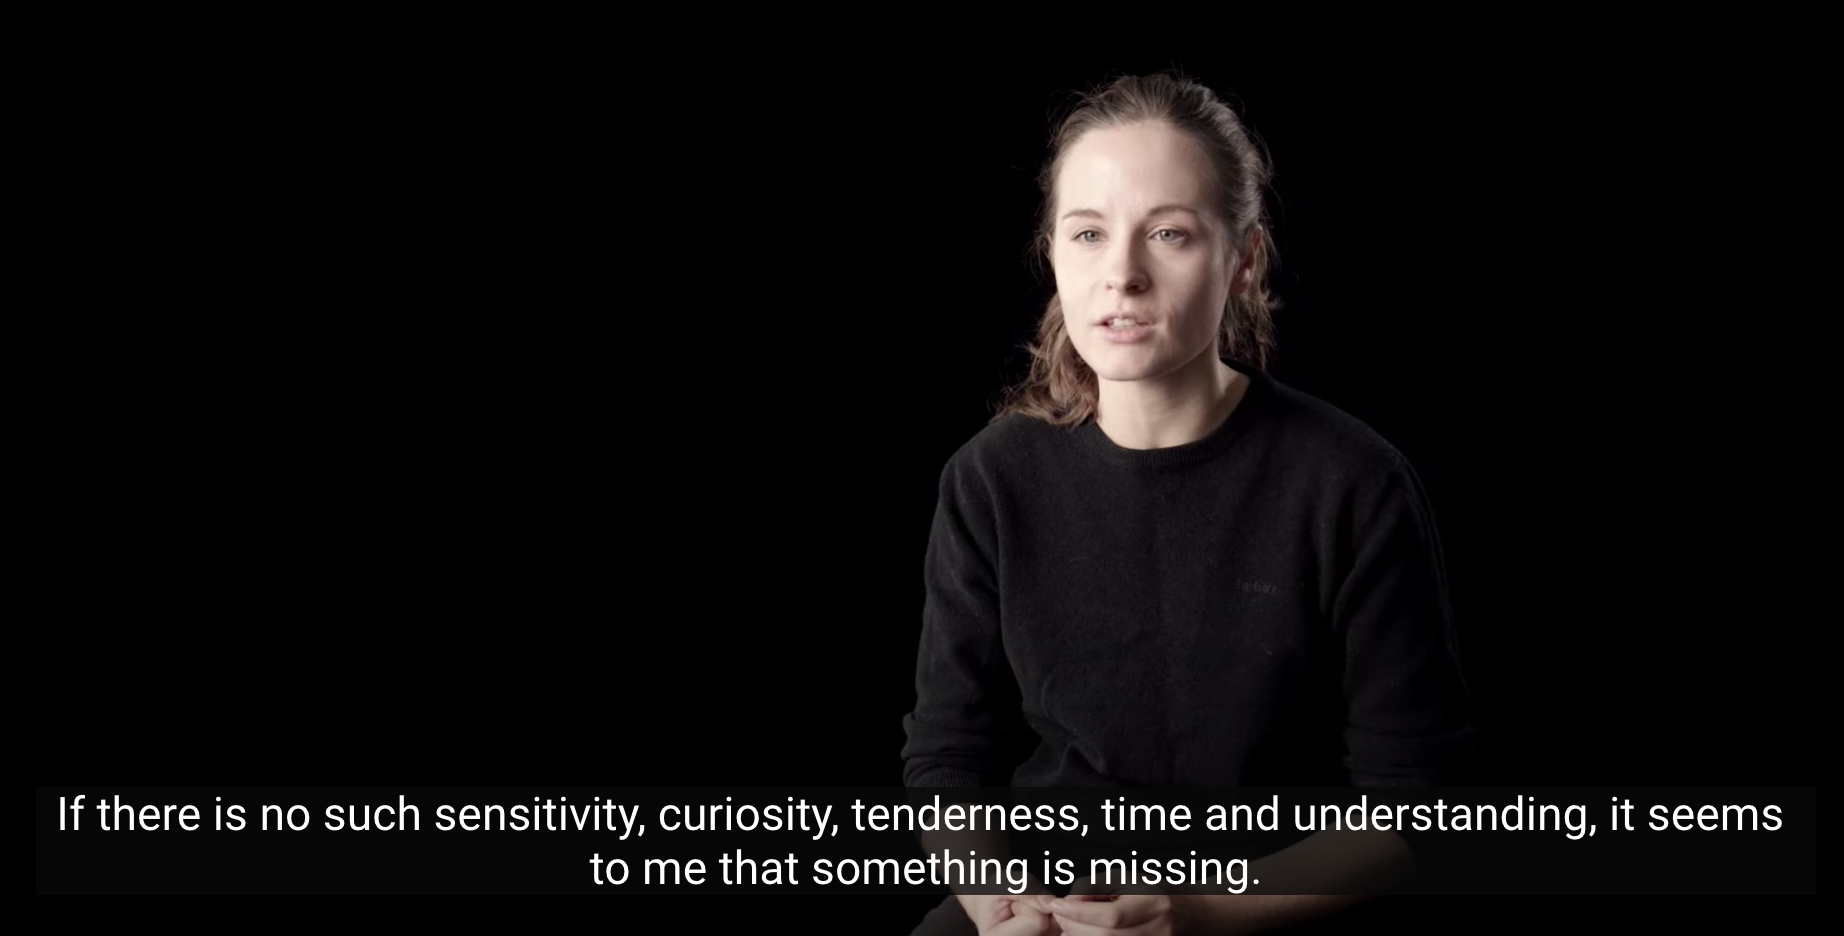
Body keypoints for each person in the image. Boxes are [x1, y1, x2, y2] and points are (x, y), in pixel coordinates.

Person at [901, 73, 1474, 935]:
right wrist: (1000, 905)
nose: (1122, 275)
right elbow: (947, 762)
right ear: (1053, 256)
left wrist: (1201, 914)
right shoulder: (991, 479)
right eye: (1088, 234)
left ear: (1243, 261)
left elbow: (1417, 808)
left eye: (1168, 233)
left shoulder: (1352, 484)